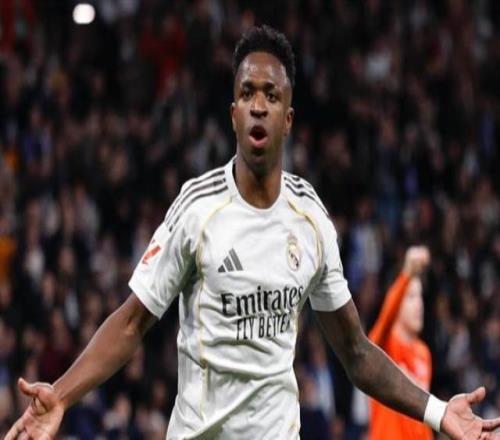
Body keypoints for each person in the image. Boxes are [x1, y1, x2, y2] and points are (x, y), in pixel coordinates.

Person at [6, 25, 500, 440]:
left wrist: (438, 412)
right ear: (234, 114)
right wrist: (62, 395)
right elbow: (132, 322)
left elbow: (355, 352)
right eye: (247, 94)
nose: (258, 105)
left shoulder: (310, 219)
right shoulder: (198, 208)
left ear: (288, 120)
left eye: (271, 95)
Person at [369, 246, 433, 439]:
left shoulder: (423, 352)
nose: (419, 304)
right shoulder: (384, 345)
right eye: (411, 296)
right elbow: (385, 318)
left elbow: (424, 416)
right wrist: (407, 273)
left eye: (420, 296)